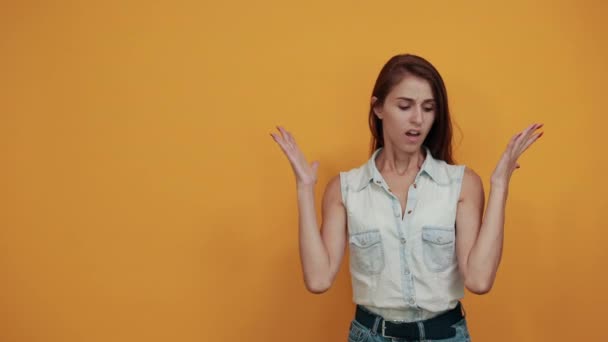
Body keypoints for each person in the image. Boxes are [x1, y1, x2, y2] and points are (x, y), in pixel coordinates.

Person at [270, 54, 543, 342]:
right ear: (378, 108)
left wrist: (500, 185)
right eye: (404, 106)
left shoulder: (461, 185)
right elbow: (318, 279)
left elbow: (479, 279)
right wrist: (304, 188)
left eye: (428, 108)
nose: (418, 119)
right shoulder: (345, 189)